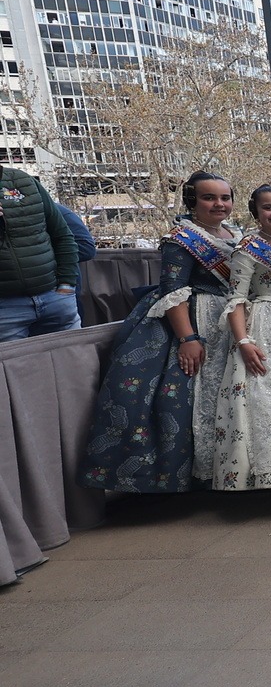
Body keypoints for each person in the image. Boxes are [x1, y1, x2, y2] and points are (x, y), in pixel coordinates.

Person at [82, 172, 238, 492]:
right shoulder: (180, 239)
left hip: (227, 319)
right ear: (192, 201)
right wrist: (188, 339)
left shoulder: (235, 233)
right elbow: (173, 291)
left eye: (225, 197)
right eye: (209, 197)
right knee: (183, 398)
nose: (219, 204)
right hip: (192, 320)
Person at [212, 186, 271, 491]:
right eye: (269, 208)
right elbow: (236, 299)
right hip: (266, 326)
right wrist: (243, 342)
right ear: (256, 212)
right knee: (268, 397)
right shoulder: (247, 247)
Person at [0, 163, 81, 341]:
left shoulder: (23, 181)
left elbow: (63, 236)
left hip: (55, 298)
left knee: (75, 357)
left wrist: (67, 284)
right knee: (18, 361)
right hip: (6, 310)